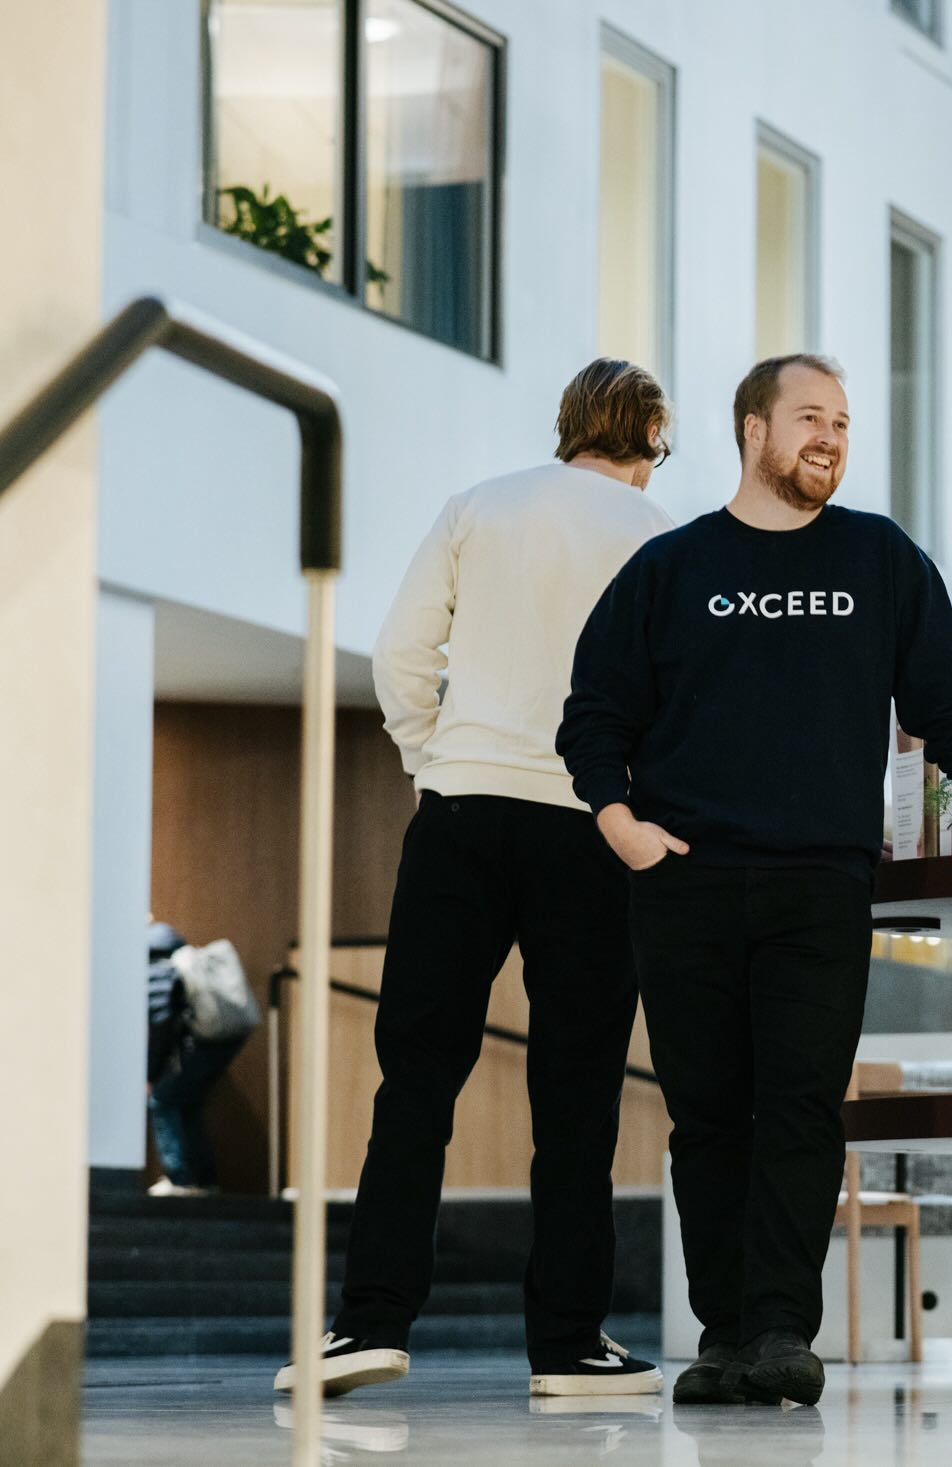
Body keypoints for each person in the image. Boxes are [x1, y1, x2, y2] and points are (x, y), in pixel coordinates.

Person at [558, 353, 952, 1408]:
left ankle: (778, 1329)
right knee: (707, 1117)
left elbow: (946, 700)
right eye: (810, 416)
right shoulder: (671, 567)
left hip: (819, 880)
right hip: (685, 882)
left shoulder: (879, 557)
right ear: (753, 430)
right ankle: (723, 1333)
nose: (830, 437)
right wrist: (621, 826)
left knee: (801, 1107)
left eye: (844, 423)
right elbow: (594, 712)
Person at [276, 359, 677, 1400]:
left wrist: (434, 762)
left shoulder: (479, 506)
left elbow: (401, 657)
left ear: (569, 424)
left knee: (416, 1076)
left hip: (461, 817)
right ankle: (568, 1346)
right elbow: (677, 699)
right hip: (591, 829)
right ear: (648, 437)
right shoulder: (660, 537)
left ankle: (369, 1325)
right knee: (578, 1092)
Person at [145, 921, 251, 1196]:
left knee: (162, 1100)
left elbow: (160, 1022)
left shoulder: (156, 965)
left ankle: (180, 1179)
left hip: (198, 1045)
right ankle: (205, 1180)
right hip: (222, 1041)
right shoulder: (182, 954)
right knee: (188, 1103)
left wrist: (151, 1073)